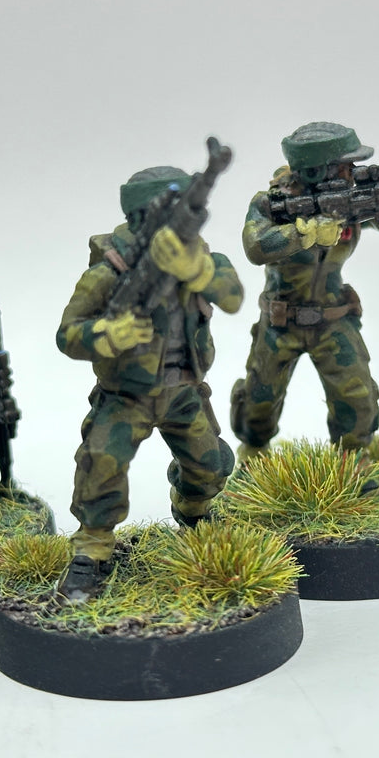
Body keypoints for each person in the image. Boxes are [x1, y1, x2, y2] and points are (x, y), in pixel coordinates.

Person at [56, 165, 243, 602]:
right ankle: (92, 549)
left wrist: (198, 272)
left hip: (183, 392)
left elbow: (233, 295)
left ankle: (194, 513)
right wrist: (108, 335)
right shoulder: (109, 273)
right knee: (101, 466)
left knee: (210, 465)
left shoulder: (201, 260)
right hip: (126, 397)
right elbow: (67, 335)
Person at [230, 121, 379, 457]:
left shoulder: (350, 198)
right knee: (259, 401)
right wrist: (306, 234)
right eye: (345, 165)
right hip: (280, 322)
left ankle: (353, 458)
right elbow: (255, 246)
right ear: (317, 170)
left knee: (357, 398)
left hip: (332, 318)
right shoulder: (272, 202)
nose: (353, 170)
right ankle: (253, 452)